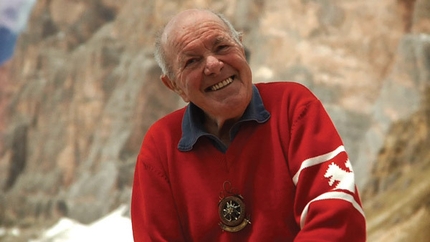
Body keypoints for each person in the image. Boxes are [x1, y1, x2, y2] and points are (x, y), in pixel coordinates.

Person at [131, 9, 366, 241]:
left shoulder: (293, 107)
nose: (213, 64)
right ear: (174, 85)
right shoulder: (160, 147)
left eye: (222, 47)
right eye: (192, 61)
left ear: (241, 48)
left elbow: (337, 214)